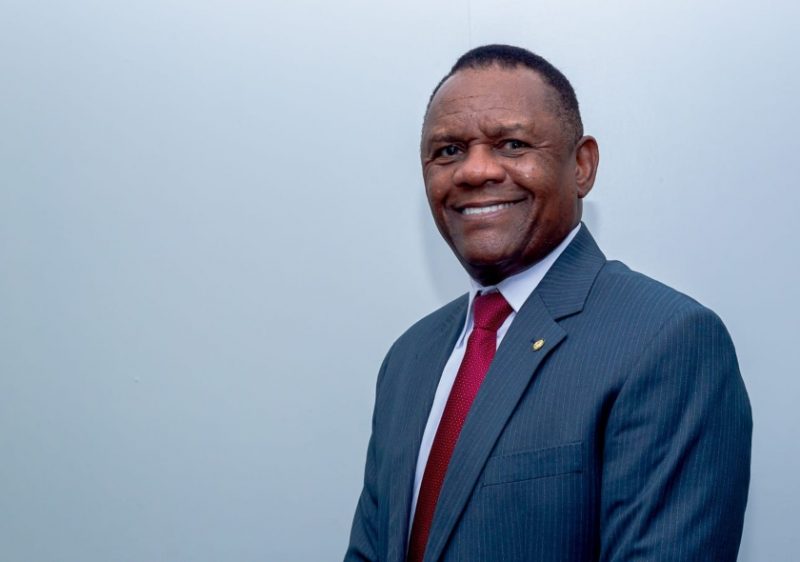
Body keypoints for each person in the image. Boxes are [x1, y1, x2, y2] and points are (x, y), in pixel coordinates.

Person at [344, 44, 751, 562]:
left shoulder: (667, 340)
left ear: (582, 165)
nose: (474, 171)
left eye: (512, 144)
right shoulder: (409, 359)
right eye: (448, 151)